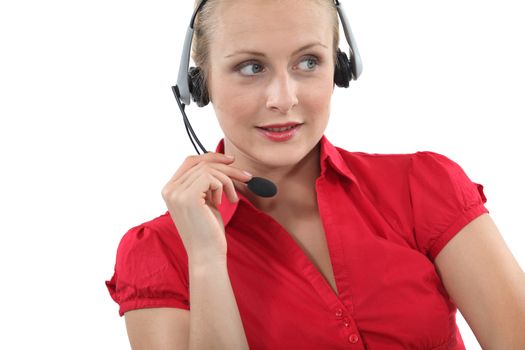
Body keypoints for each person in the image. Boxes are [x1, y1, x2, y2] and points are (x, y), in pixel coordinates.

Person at [105, 0, 525, 349]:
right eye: (252, 67)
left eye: (308, 61)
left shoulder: (423, 186)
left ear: (340, 69)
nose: (283, 99)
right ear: (200, 84)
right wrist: (207, 262)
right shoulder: (159, 252)